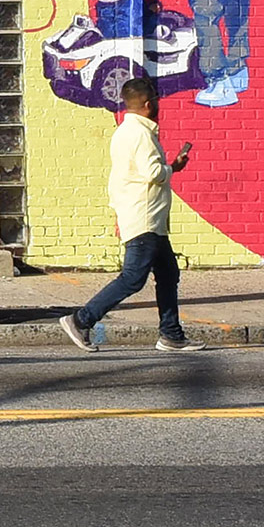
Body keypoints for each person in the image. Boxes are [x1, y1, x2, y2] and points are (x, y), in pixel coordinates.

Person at [63, 74, 191, 352]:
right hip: (144, 218)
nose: (158, 104)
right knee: (132, 278)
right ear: (147, 104)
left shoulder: (125, 131)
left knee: (168, 274)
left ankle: (171, 334)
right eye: (155, 100)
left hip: (150, 219)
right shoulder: (141, 134)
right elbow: (153, 173)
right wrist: (174, 168)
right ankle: (81, 320)